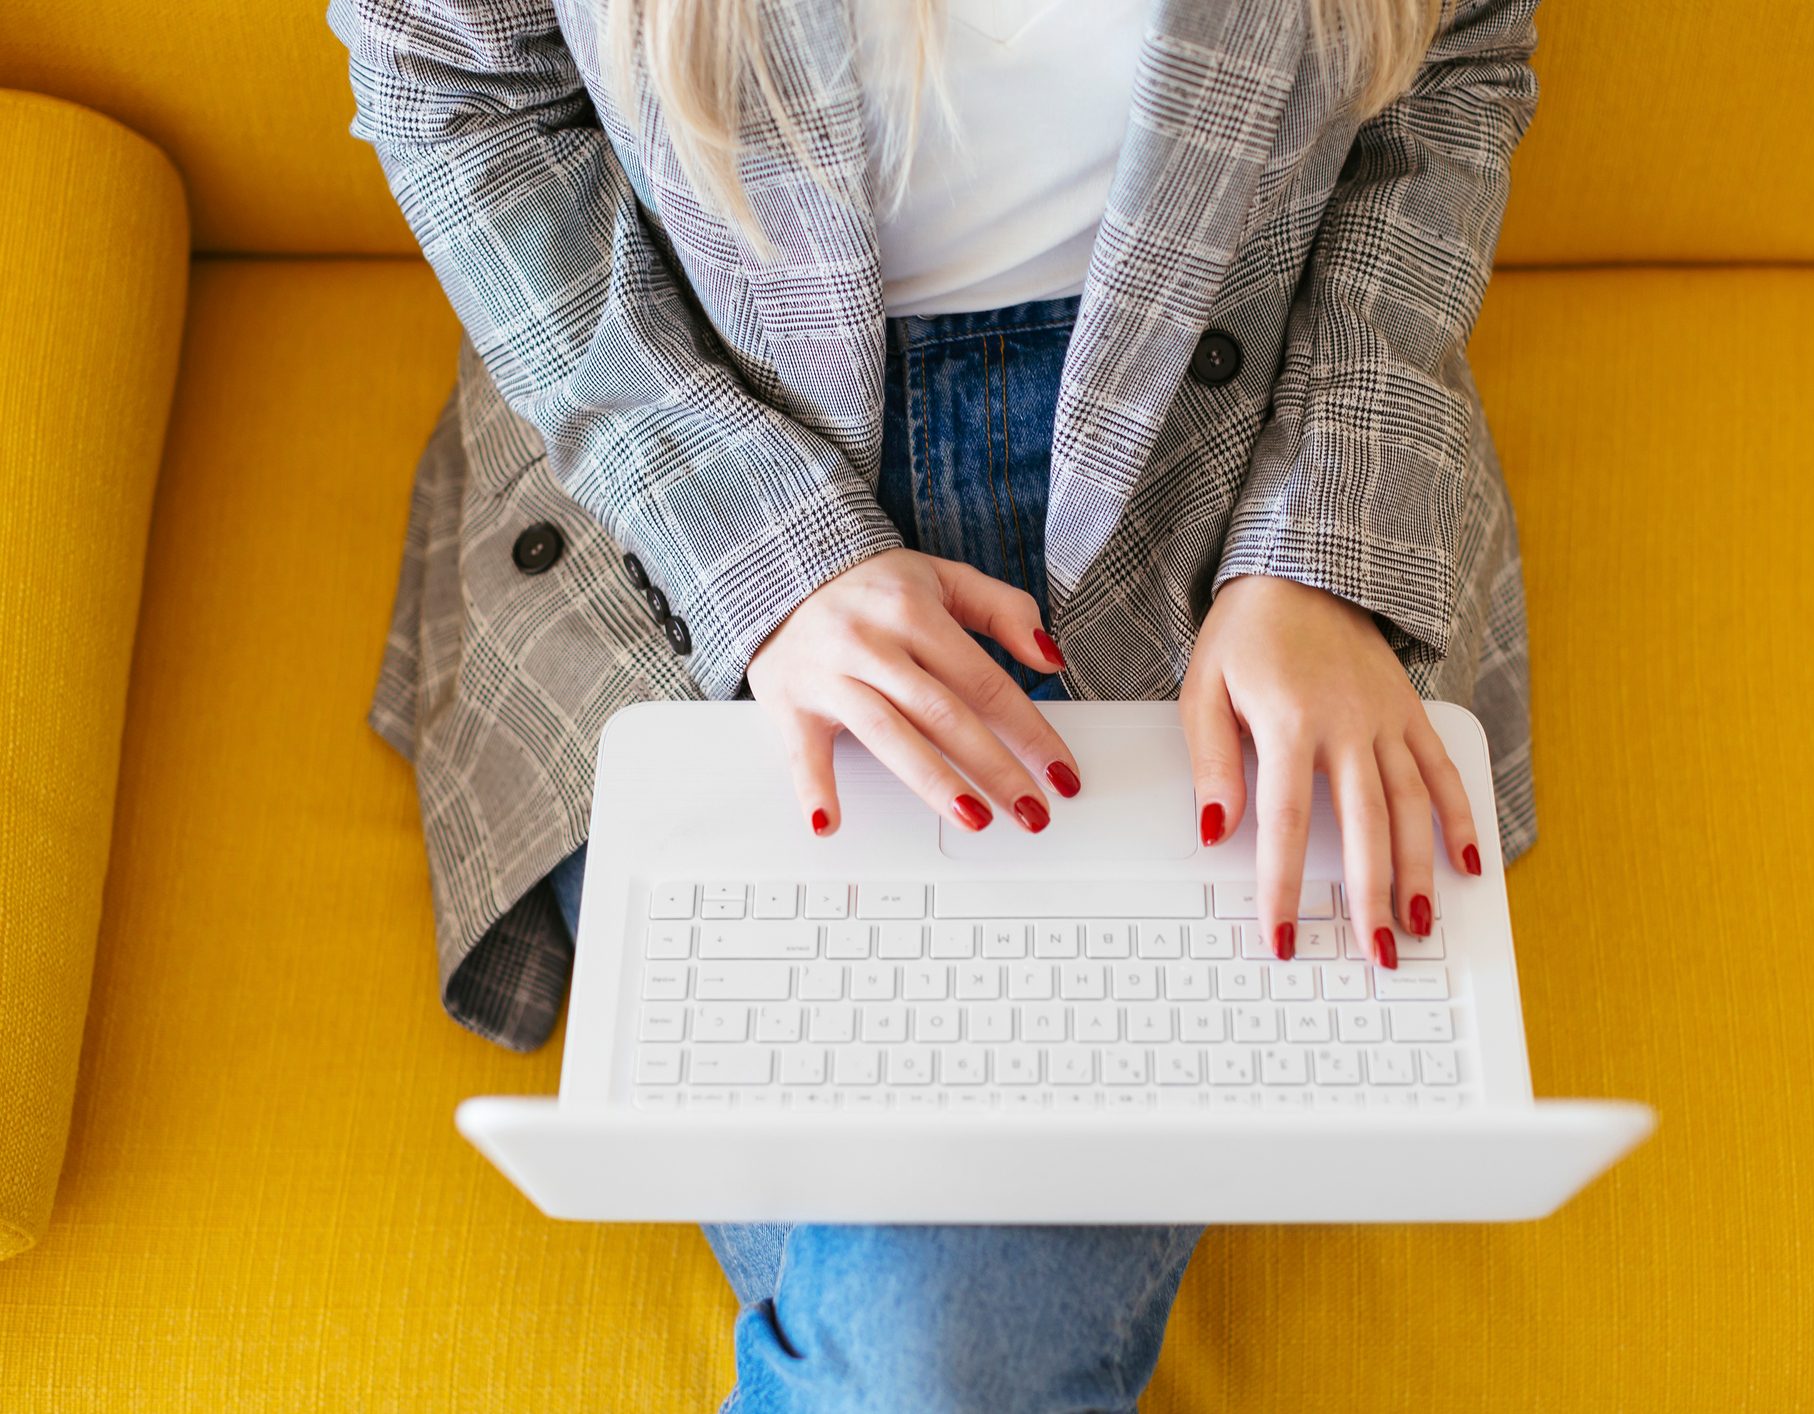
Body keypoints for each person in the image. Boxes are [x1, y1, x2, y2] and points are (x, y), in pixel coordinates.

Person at [332, 0, 1540, 1406]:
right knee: (930, 1355)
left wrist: (1321, 548)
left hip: (1225, 478)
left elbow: (1453, 57)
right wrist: (760, 553)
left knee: (928, 1353)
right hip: (694, 438)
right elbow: (447, 79)